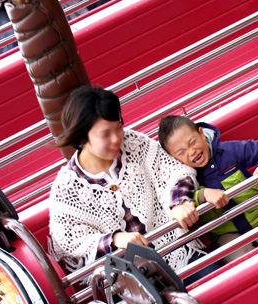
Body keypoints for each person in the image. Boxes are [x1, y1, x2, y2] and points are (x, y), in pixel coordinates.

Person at [48, 87, 206, 275]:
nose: (116, 139)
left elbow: (174, 170)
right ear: (82, 136)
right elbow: (69, 241)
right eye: (105, 134)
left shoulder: (134, 144)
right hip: (128, 277)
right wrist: (114, 239)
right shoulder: (67, 188)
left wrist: (178, 202)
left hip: (177, 250)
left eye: (119, 127)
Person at [158, 115, 258, 262]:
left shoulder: (228, 151)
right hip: (225, 233)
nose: (191, 152)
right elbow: (179, 203)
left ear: (202, 134)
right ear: (174, 158)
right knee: (243, 262)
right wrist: (203, 194)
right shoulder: (183, 177)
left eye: (193, 142)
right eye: (181, 153)